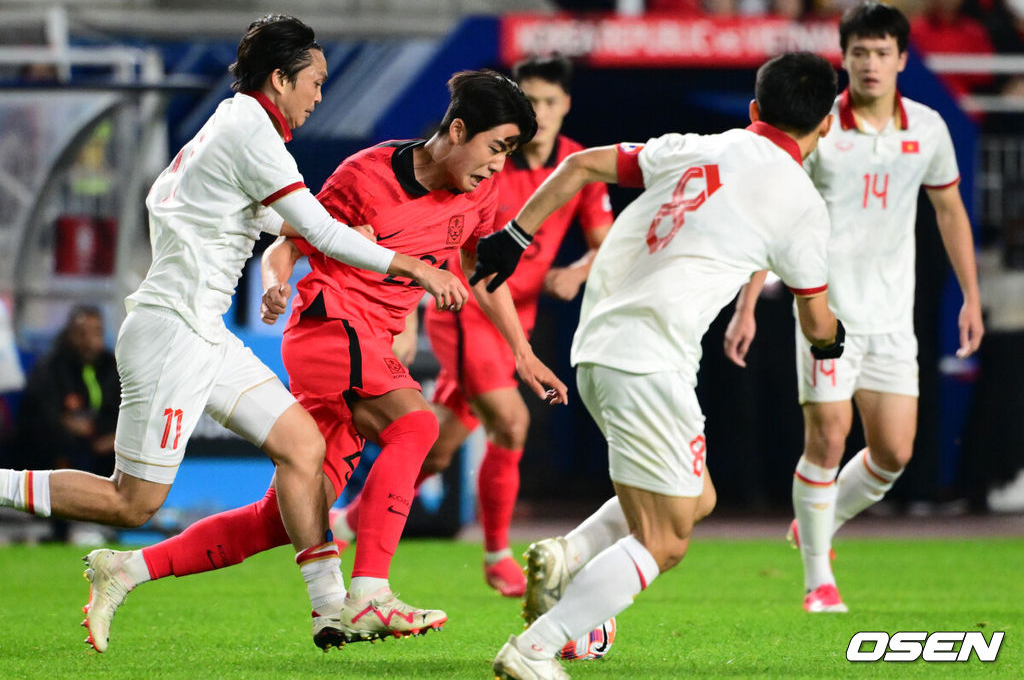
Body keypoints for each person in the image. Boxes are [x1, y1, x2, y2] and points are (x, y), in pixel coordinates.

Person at [0, 14, 466, 653]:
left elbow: (266, 222)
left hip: (203, 332)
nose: (320, 96)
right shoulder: (251, 130)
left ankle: (334, 608)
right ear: (279, 78)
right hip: (171, 334)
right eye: (315, 82)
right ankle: (85, 543)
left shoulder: (234, 125)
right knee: (130, 503)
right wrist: (409, 264)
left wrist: (275, 257)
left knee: (303, 449)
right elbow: (319, 229)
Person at [69, 70, 569, 650]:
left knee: (283, 516)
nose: (498, 166)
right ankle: (370, 593)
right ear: (458, 130)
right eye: (496, 147)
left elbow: (486, 275)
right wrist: (277, 282)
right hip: (331, 328)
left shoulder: (477, 193)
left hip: (368, 347)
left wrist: (524, 353)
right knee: (418, 425)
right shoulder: (367, 174)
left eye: (509, 153)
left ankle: (127, 569)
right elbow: (291, 239)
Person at [487, 51, 845, 679]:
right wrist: (832, 342)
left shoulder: (693, 146)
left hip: (599, 347)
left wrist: (515, 238)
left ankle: (569, 554)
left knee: (696, 496)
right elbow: (816, 321)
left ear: (756, 110)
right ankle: (537, 647)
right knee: (666, 540)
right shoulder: (802, 204)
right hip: (648, 361)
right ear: (828, 124)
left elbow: (576, 165)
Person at [723, 0, 984, 613]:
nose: (870, 63)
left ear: (902, 58)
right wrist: (747, 304)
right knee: (829, 436)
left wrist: (970, 296)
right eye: (859, 52)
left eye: (881, 52)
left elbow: (950, 212)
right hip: (826, 312)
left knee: (893, 453)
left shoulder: (928, 128)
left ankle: (816, 519)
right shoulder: (819, 127)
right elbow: (777, 212)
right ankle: (819, 578)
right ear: (843, 58)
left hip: (893, 316)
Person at [332, 55, 613, 597]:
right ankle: (496, 554)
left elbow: (607, 241)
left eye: (551, 102)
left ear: (566, 106)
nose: (542, 113)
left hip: (514, 314)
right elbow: (438, 245)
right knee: (511, 422)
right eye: (531, 102)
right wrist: (409, 313)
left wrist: (579, 271)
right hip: (467, 314)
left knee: (434, 450)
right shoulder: (478, 166)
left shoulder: (575, 164)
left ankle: (344, 521)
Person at [13, 306, 119, 542]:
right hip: (59, 448)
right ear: (70, 334)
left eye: (96, 333)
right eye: (83, 333)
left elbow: (127, 413)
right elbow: (41, 415)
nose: (90, 341)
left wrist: (112, 438)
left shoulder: (114, 368)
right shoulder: (50, 368)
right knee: (63, 450)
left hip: (105, 448)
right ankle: (61, 524)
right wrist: (71, 427)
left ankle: (104, 521)